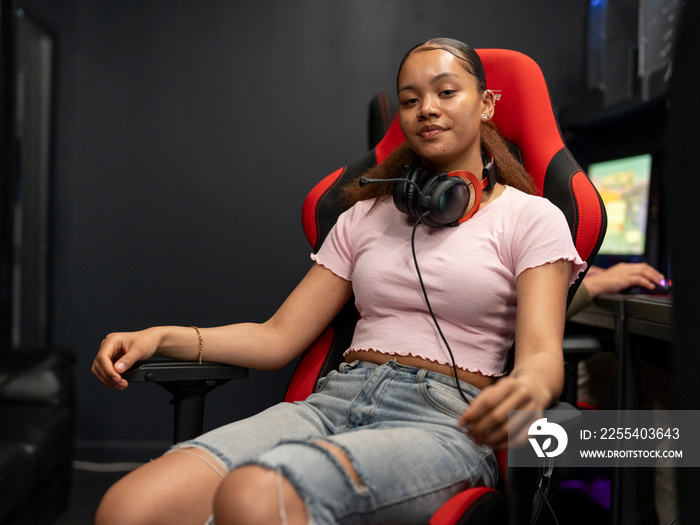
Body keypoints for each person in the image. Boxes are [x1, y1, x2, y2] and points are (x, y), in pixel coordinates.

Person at [92, 38, 586, 525]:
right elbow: (277, 337)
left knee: (257, 498)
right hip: (332, 402)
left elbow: (542, 356)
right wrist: (161, 336)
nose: (426, 110)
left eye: (446, 92)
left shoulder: (532, 218)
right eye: (411, 100)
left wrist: (528, 388)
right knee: (131, 508)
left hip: (443, 420)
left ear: (487, 103)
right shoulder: (366, 215)